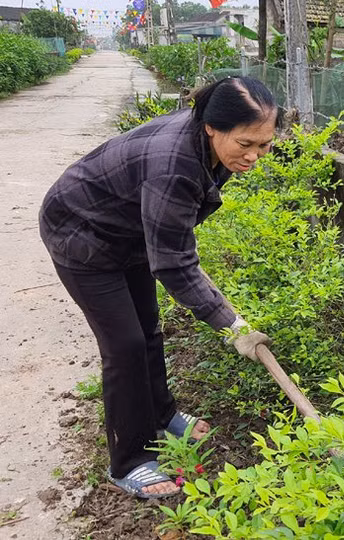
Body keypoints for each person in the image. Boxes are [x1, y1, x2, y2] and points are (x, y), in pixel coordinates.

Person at [39, 76, 278, 498]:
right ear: (211, 126)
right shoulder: (174, 163)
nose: (254, 156)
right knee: (125, 346)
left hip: (130, 233)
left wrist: (171, 244)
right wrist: (233, 326)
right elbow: (172, 263)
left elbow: (170, 235)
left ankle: (162, 415)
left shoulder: (208, 144)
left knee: (149, 329)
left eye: (265, 145)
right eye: (246, 144)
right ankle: (129, 461)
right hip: (80, 232)